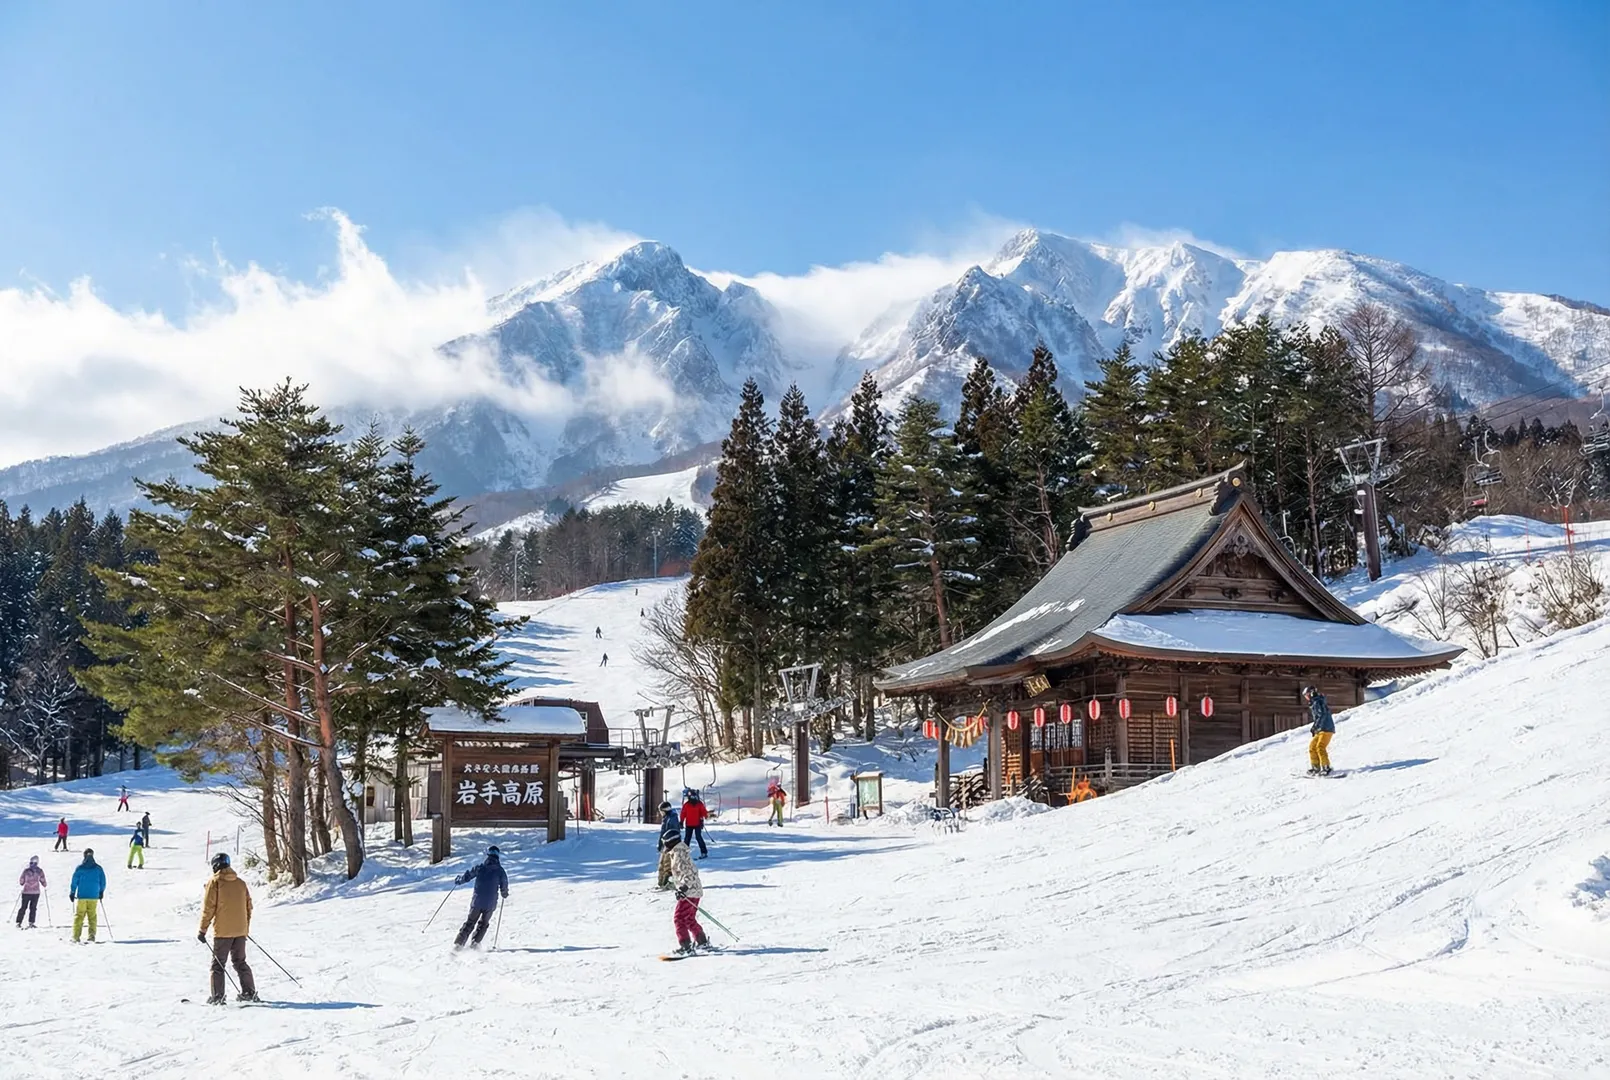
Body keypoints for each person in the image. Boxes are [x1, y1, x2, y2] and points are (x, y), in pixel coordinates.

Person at [199, 853, 259, 1004]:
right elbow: (248, 908)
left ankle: (217, 996)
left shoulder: (215, 882)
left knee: (218, 964)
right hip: (240, 931)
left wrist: (202, 930)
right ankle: (249, 992)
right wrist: (245, 928)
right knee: (240, 962)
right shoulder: (241, 883)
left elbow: (208, 908)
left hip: (223, 932)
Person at [452, 845, 508, 949]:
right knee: (483, 923)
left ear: (488, 855)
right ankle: (475, 943)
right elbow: (504, 886)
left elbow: (468, 876)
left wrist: (459, 881)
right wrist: (504, 893)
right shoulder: (500, 871)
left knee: (470, 922)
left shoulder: (480, 867)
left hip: (477, 901)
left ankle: (459, 944)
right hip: (490, 903)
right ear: (498, 857)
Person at [663, 834, 709, 956]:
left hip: (689, 892)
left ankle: (686, 946)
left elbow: (690, 873)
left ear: (670, 842)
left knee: (679, 918)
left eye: (665, 842)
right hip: (694, 890)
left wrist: (683, 887)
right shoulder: (678, 852)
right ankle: (701, 941)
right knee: (689, 918)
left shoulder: (679, 855)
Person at [68, 849, 106, 943]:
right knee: (92, 916)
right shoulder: (98, 868)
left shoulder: (80, 868)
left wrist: (72, 892)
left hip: (82, 895)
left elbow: (74, 881)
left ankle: (76, 936)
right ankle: (91, 936)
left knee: (79, 915)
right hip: (94, 896)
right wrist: (101, 892)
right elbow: (103, 881)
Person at [1304, 685, 1336, 775]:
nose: (1305, 697)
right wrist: (1315, 727)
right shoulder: (1315, 702)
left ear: (1311, 693)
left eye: (1306, 695)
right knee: (1312, 747)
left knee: (1320, 747)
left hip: (1326, 728)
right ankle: (1315, 767)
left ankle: (1326, 767)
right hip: (1320, 729)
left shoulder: (1318, 702)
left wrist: (1315, 726)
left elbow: (1322, 715)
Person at [655, 801, 681, 889]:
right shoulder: (666, 818)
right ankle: (661, 883)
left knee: (668, 865)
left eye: (661, 811)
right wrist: (660, 844)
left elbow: (674, 833)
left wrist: (671, 845)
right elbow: (662, 833)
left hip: (671, 845)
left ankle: (668, 883)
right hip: (665, 844)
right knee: (661, 864)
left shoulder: (672, 819)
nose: (660, 813)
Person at [17, 856, 46, 929]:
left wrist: (23, 883)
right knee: (33, 908)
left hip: (26, 892)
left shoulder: (26, 871)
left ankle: (19, 922)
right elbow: (43, 880)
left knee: (23, 907)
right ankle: (31, 922)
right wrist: (44, 884)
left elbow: (21, 881)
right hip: (35, 893)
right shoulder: (39, 871)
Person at [680, 791, 708, 858]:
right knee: (687, 838)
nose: (693, 798)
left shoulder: (699, 804)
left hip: (697, 824)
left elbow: (704, 812)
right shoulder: (686, 805)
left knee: (698, 837)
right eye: (692, 797)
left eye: (694, 797)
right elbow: (683, 813)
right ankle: (684, 853)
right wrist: (681, 821)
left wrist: (706, 816)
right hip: (689, 824)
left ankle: (704, 852)